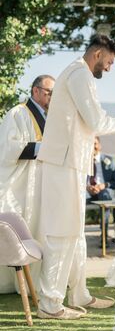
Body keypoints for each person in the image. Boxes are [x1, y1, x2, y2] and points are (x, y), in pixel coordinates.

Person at [36, 34, 115, 320]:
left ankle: (79, 293)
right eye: (110, 61)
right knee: (61, 233)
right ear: (98, 53)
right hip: (63, 164)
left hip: (71, 164)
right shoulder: (79, 73)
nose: (110, 68)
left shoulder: (79, 74)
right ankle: (49, 303)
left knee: (75, 234)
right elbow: (96, 121)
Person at [0, 75, 55, 293]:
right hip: (20, 185)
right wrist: (45, 147)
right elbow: (8, 148)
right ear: (35, 91)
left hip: (41, 183)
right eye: (49, 92)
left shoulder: (50, 116)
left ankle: (35, 281)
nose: (52, 96)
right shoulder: (17, 113)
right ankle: (12, 283)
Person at [86, 136, 115, 247]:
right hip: (87, 192)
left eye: (95, 143)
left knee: (105, 196)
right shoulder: (83, 160)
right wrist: (86, 187)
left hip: (103, 192)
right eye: (90, 144)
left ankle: (104, 237)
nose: (93, 147)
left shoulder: (109, 160)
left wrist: (103, 186)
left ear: (99, 146)